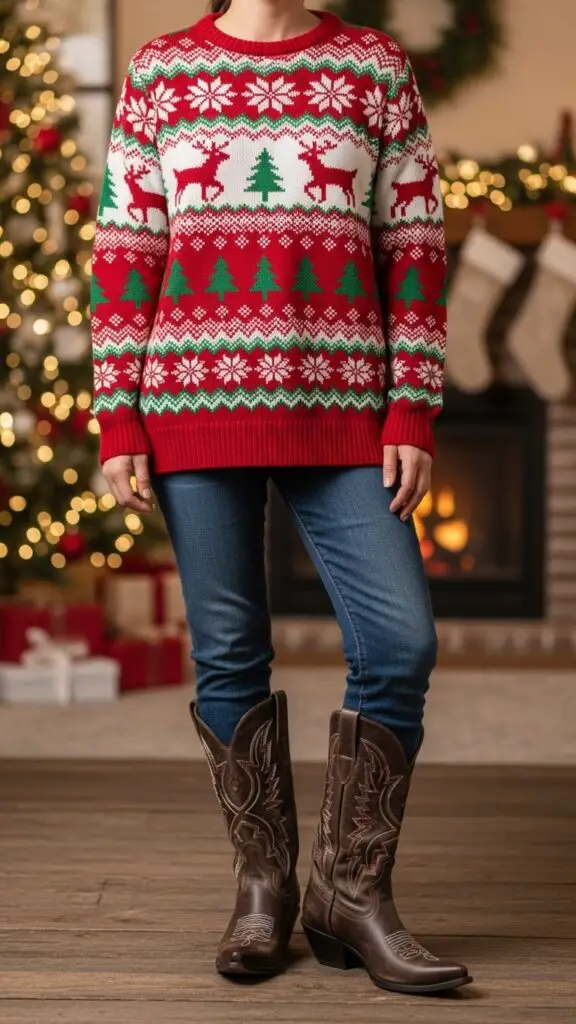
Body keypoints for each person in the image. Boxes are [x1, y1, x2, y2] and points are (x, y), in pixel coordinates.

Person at [91, 0, 471, 995]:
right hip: (192, 401)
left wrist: (411, 408)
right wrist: (118, 417)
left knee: (400, 641)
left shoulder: (372, 65)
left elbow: (416, 245)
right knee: (228, 651)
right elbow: (127, 250)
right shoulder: (163, 72)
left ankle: (351, 892)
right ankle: (263, 885)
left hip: (344, 406)